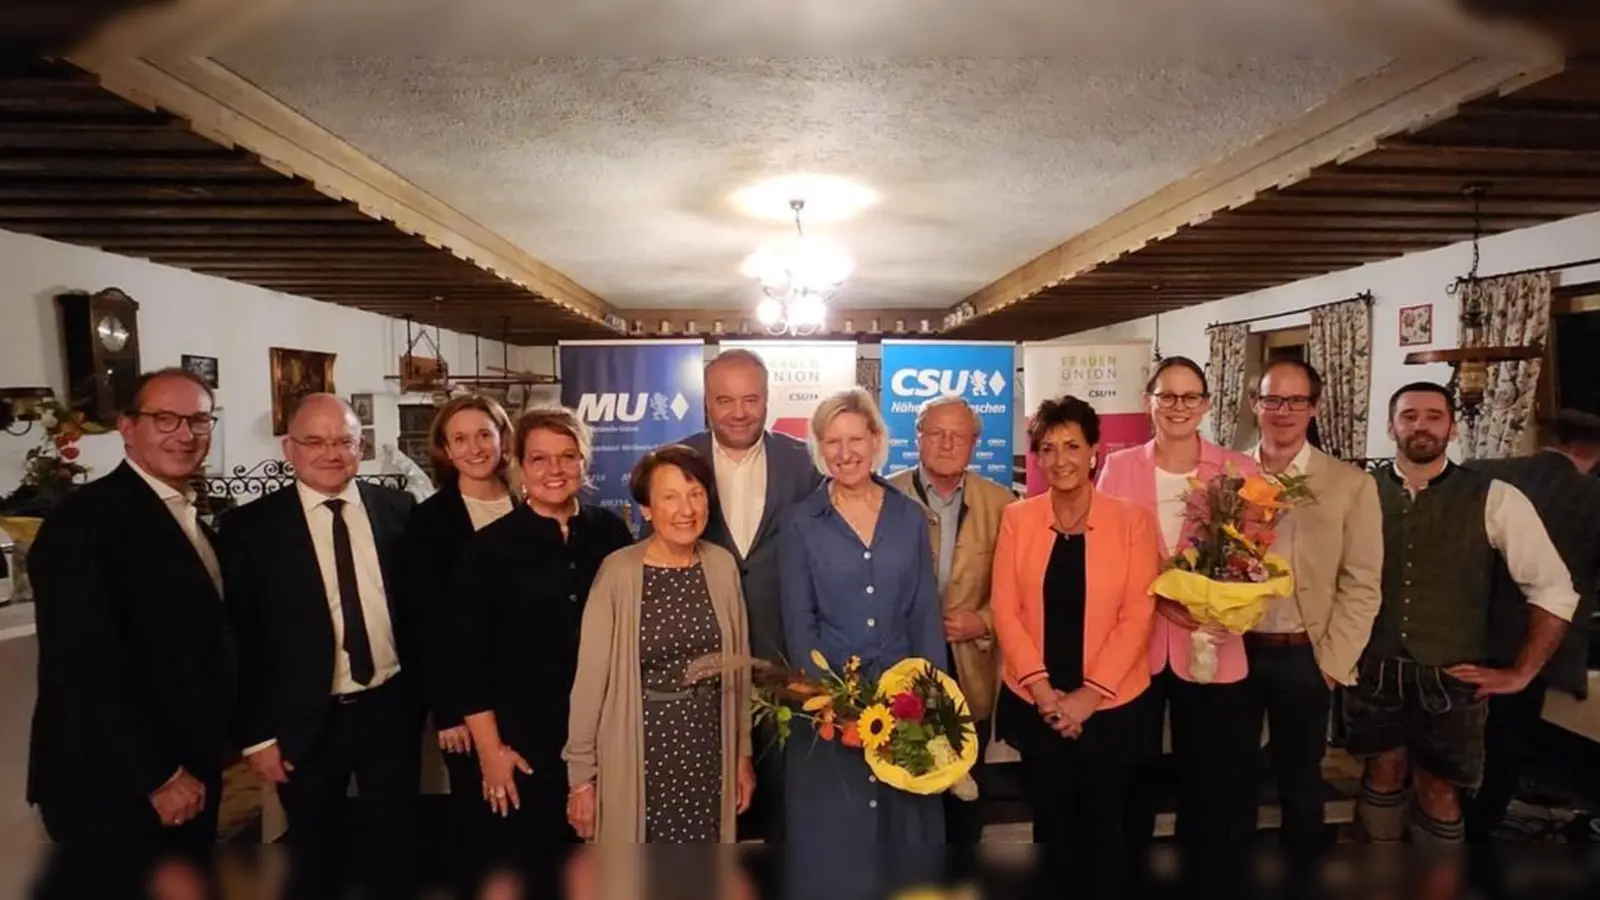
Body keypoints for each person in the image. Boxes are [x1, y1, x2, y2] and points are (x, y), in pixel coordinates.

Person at [26, 368, 236, 899]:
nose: (185, 434)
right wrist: (159, 776)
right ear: (126, 427)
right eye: (165, 419)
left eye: (198, 420)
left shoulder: (186, 518)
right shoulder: (84, 522)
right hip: (119, 784)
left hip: (186, 769)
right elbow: (84, 667)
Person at [1347, 383, 1579, 845]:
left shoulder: (1495, 497)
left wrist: (1521, 674)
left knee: (1439, 789)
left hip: (1452, 675)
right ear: (1391, 426)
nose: (1421, 425)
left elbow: (1554, 590)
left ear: (1451, 429)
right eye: (1409, 415)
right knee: (1380, 773)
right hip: (1373, 668)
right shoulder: (1358, 493)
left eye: (1433, 416)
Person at [220, 394, 421, 899]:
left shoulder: (397, 508)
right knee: (314, 855)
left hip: (390, 707)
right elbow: (238, 638)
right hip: (302, 722)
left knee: (396, 846)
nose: (331, 453)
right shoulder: (250, 528)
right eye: (315, 441)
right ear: (289, 448)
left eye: (344, 441)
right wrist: (257, 736)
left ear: (359, 447)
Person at [449, 406, 633, 888]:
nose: (555, 470)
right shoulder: (487, 548)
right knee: (527, 871)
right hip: (522, 746)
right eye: (540, 459)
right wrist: (491, 752)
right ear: (519, 466)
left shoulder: (611, 534)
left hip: (605, 739)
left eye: (567, 457)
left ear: (584, 463)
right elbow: (465, 660)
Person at [1095, 355, 1259, 889]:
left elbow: (1254, 556)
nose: (1178, 407)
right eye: (1167, 396)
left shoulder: (1239, 471)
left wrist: (1218, 599)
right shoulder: (1119, 468)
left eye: (1190, 397)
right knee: (1132, 776)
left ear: (1207, 404)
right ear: (1150, 402)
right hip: (1136, 646)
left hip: (1212, 643)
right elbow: (1105, 551)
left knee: (1212, 779)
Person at [990, 396, 1161, 899]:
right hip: (1036, 703)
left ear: (1095, 451)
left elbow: (1137, 614)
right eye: (1048, 447)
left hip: (1113, 707)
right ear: (1037, 457)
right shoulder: (1018, 519)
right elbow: (1006, 611)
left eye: (1072, 445)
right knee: (1051, 830)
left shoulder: (1132, 521)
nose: (1061, 458)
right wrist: (1044, 692)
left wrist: (1088, 696)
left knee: (1108, 831)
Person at [779, 387, 947, 896]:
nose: (845, 452)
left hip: (906, 706)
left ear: (877, 440)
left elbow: (924, 612)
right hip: (830, 714)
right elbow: (799, 622)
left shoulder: (907, 517)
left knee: (907, 846)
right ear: (818, 448)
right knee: (834, 845)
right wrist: (831, 702)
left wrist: (930, 701)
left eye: (856, 438)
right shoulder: (800, 523)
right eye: (832, 442)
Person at [565, 444, 755, 842]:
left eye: (696, 494)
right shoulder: (618, 572)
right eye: (669, 497)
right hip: (641, 746)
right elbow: (590, 681)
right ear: (647, 509)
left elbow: (738, 671)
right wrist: (581, 777)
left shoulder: (721, 565)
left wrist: (742, 755)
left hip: (708, 747)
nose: (686, 510)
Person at [1245, 359, 1383, 876]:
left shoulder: (1350, 484)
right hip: (1235, 651)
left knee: (1299, 783)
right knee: (1229, 777)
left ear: (1314, 407)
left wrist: (1331, 663)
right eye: (1272, 399)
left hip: (1306, 654)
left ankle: (1301, 877)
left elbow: (1363, 582)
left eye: (1296, 401)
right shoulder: (1226, 474)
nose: (1283, 411)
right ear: (1255, 404)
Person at [679, 347, 821, 842]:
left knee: (788, 795)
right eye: (725, 400)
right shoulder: (678, 460)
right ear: (706, 403)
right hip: (701, 658)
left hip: (784, 655)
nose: (739, 412)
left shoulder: (804, 462)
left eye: (750, 399)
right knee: (707, 799)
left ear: (767, 400)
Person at [1462, 409, 1600, 842]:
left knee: (1445, 748)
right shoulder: (1591, 495)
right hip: (1532, 645)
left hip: (1455, 632)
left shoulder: (1475, 470)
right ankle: (1476, 844)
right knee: (1505, 751)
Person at [397, 393, 516, 891]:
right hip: (468, 705)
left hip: (531, 692)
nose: (475, 448)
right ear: (445, 449)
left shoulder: (528, 501)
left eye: (484, 435)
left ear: (502, 438)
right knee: (481, 818)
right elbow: (424, 623)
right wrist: (447, 711)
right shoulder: (429, 522)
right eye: (460, 439)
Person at [885, 394, 1013, 849]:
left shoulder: (1003, 505)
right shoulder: (883, 496)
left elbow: (1019, 594)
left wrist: (982, 621)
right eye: (935, 433)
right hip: (898, 666)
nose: (946, 443)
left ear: (975, 444)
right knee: (903, 786)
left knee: (962, 793)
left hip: (966, 667)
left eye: (958, 435)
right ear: (917, 438)